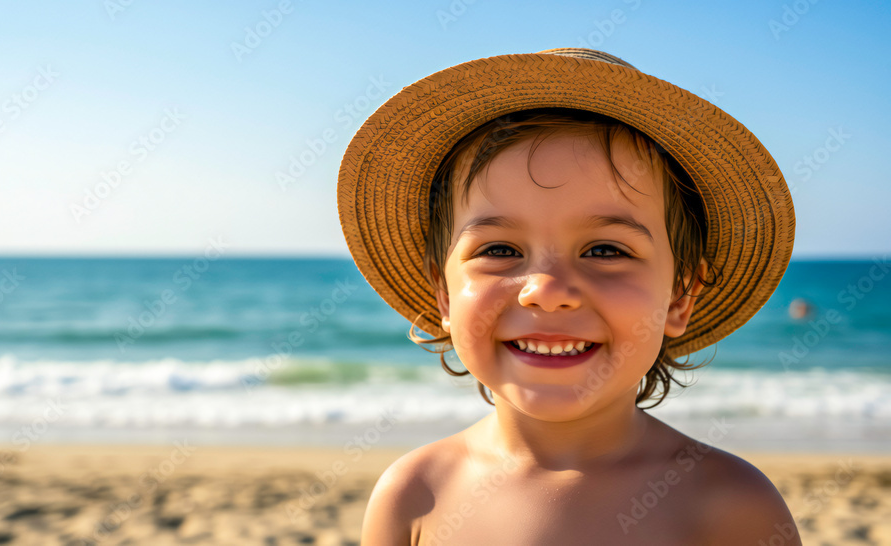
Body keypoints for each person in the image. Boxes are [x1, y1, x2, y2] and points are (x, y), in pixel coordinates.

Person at [338, 48, 800, 545]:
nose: (547, 292)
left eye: (605, 249)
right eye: (499, 249)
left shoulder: (729, 506)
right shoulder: (413, 496)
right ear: (443, 296)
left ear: (678, 297)